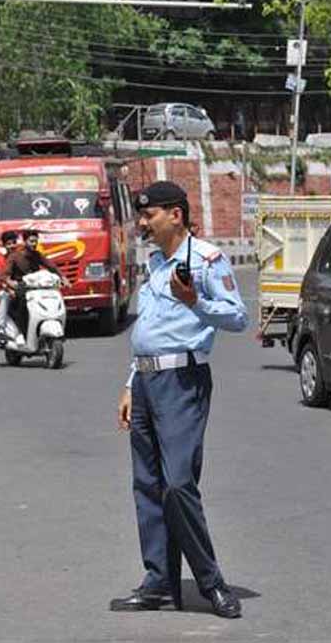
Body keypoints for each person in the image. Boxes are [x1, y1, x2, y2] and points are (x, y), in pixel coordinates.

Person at [111, 181, 247, 618]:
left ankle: (211, 583)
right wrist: (131, 382)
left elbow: (238, 316)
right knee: (148, 486)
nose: (143, 222)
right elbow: (148, 330)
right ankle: (158, 581)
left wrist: (196, 302)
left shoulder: (205, 260)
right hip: (146, 380)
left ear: (176, 214)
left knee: (177, 483)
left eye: (149, 214)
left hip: (182, 380)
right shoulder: (154, 263)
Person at [0, 229, 69, 341]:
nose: (34, 244)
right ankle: (17, 331)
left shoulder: (37, 255)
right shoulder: (14, 256)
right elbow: (3, 276)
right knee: (19, 303)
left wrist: (63, 278)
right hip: (21, 289)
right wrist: (11, 285)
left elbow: (51, 266)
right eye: (31, 241)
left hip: (36, 289)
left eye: (35, 241)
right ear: (25, 241)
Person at [0, 231, 20, 339]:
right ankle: (0, 327)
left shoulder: (22, 258)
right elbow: (2, 280)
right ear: (4, 245)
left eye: (14, 243)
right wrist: (10, 290)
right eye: (9, 244)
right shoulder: (0, 260)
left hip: (21, 289)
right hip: (4, 290)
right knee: (5, 296)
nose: (12, 246)